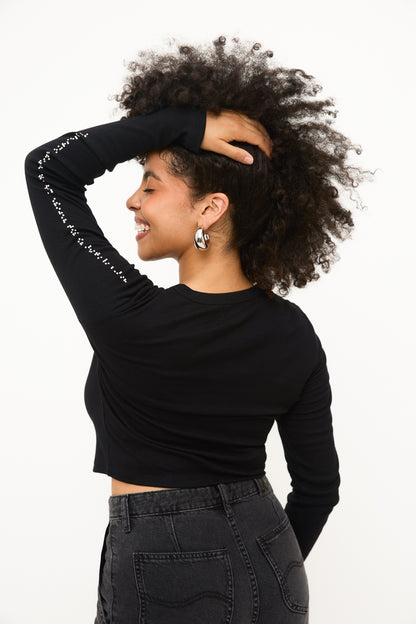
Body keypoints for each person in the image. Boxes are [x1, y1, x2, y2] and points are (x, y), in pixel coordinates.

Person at [24, 34, 372, 624]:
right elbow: (320, 488)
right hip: (274, 559)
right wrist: (258, 564)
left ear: (210, 209)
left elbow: (50, 169)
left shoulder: (130, 316)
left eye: (152, 185)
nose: (133, 201)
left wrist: (186, 124)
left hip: (160, 557)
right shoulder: (293, 331)